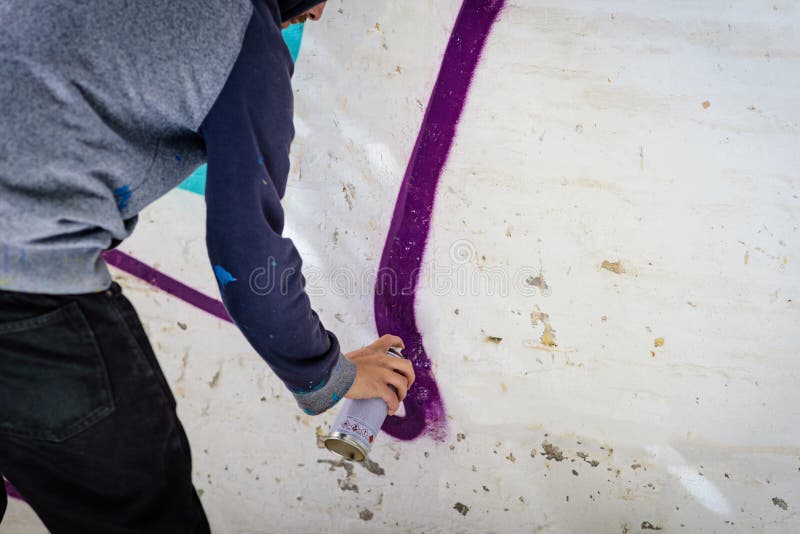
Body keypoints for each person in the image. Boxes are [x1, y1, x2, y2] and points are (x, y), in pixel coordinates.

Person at [0, 0, 415, 531]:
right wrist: (326, 374)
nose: (318, 14)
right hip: (27, 298)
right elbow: (246, 256)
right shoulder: (240, 30)